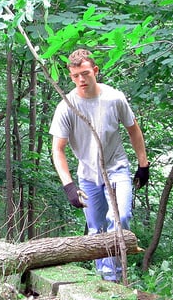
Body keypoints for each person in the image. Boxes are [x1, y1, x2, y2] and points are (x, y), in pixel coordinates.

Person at [49, 49, 149, 282]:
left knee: (121, 218)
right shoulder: (67, 106)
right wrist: (69, 186)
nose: (81, 80)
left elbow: (133, 129)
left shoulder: (114, 98)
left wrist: (143, 165)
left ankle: (113, 276)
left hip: (117, 168)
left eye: (85, 73)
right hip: (87, 175)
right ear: (71, 77)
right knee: (95, 230)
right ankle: (101, 278)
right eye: (75, 76)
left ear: (95, 71)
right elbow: (58, 149)